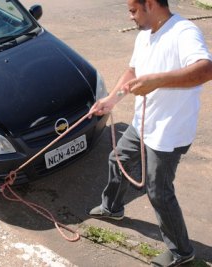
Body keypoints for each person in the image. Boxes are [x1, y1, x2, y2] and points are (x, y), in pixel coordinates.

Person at [86, 0, 212, 266]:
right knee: (116, 160)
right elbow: (133, 71)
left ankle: (181, 252)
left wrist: (156, 80)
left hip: (170, 132)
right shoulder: (144, 35)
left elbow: (205, 69)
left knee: (159, 192)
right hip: (143, 123)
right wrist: (111, 99)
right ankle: (113, 208)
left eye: (133, 10)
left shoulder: (183, 32)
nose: (130, 16)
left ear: (151, 4)